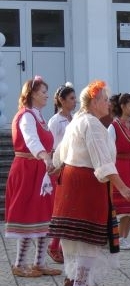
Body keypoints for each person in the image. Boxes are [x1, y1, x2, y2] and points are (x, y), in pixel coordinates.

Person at [49, 80, 130, 286]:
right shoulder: (92, 124)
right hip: (86, 182)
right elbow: (103, 162)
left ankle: (74, 278)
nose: (109, 104)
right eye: (106, 100)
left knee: (74, 235)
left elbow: (58, 156)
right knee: (88, 235)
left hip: (69, 180)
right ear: (95, 101)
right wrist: (123, 187)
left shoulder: (76, 121)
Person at [4, 76, 60, 278]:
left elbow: (46, 142)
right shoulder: (26, 116)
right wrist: (45, 156)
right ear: (32, 94)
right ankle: (19, 264)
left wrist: (54, 158)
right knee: (28, 214)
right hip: (27, 169)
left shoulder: (39, 117)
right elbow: (31, 140)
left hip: (41, 170)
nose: (46, 95)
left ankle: (39, 263)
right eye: (43, 92)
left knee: (45, 214)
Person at [46, 82, 76, 264]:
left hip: (71, 165)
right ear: (61, 101)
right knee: (61, 209)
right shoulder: (55, 121)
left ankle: (63, 246)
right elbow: (50, 146)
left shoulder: (73, 119)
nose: (74, 102)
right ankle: (53, 245)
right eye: (71, 98)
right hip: (59, 167)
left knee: (69, 209)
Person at [108, 93, 130, 250]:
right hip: (119, 166)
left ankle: (124, 237)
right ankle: (115, 237)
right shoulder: (113, 127)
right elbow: (109, 150)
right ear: (122, 106)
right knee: (120, 205)